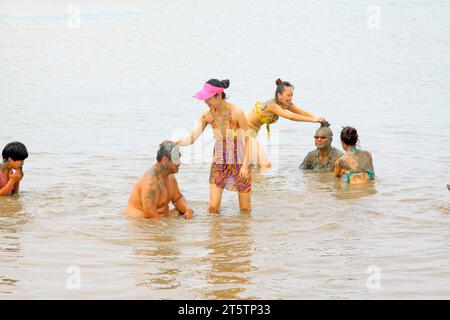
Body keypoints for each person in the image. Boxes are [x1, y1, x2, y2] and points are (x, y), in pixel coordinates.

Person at [176, 79, 252, 213]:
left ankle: (242, 233)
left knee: (245, 210)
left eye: (207, 98)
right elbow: (192, 138)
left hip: (240, 161)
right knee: (213, 208)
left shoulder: (237, 112)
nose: (205, 101)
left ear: (218, 96)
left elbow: (248, 140)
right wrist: (175, 143)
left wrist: (246, 165)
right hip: (219, 161)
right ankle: (215, 232)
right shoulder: (207, 115)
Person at [246, 78, 329, 168]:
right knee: (265, 165)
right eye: (288, 95)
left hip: (253, 133)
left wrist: (317, 118)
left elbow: (302, 112)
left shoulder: (285, 104)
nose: (290, 98)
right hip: (242, 131)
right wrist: (314, 120)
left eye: (292, 95)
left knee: (249, 166)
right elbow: (290, 117)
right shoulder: (272, 106)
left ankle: (256, 182)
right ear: (279, 95)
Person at [126, 141, 193, 220]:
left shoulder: (170, 177)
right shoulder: (151, 182)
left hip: (160, 216)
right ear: (164, 161)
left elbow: (178, 199)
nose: (179, 163)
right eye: (176, 159)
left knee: (187, 212)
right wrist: (164, 229)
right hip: (141, 221)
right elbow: (149, 214)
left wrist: (187, 210)